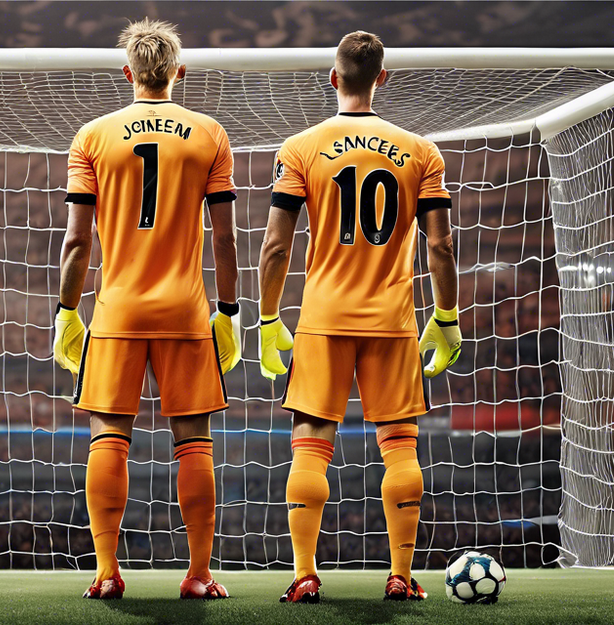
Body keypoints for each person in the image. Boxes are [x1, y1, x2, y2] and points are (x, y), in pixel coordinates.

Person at [257, 31, 461, 603]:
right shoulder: (421, 151)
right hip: (393, 319)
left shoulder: (300, 147)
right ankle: (400, 575)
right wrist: (446, 315)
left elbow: (276, 247)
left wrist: (269, 317)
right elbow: (439, 247)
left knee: (309, 445)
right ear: (382, 79)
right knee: (399, 446)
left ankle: (303, 575)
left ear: (333, 78)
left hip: (322, 317)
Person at [53, 18, 241, 600]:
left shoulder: (92, 135)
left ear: (128, 72)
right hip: (186, 311)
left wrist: (66, 309)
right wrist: (229, 310)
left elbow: (77, 241)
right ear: (178, 73)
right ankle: (199, 574)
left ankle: (108, 571)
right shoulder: (209, 133)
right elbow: (225, 239)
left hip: (117, 312)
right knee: (195, 441)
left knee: (109, 436)